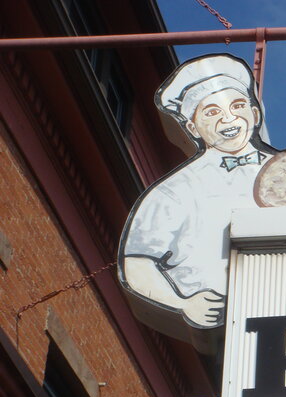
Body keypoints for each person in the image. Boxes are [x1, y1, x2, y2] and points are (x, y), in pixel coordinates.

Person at [118, 54, 276, 351]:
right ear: (192, 128)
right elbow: (137, 262)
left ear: (255, 114)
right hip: (225, 332)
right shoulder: (174, 190)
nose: (228, 119)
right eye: (211, 112)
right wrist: (182, 303)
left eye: (238, 106)